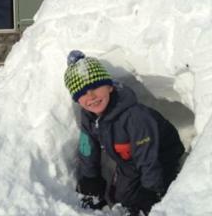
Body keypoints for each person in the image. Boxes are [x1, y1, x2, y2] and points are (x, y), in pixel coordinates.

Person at [64, 50, 185, 215]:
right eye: (82, 93)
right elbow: (88, 147)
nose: (91, 96)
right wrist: (90, 179)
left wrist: (151, 191)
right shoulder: (89, 115)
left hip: (160, 154)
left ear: (109, 87)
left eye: (95, 87)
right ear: (77, 99)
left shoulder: (134, 117)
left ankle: (170, 180)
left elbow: (148, 157)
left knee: (144, 200)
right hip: (128, 158)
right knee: (120, 198)